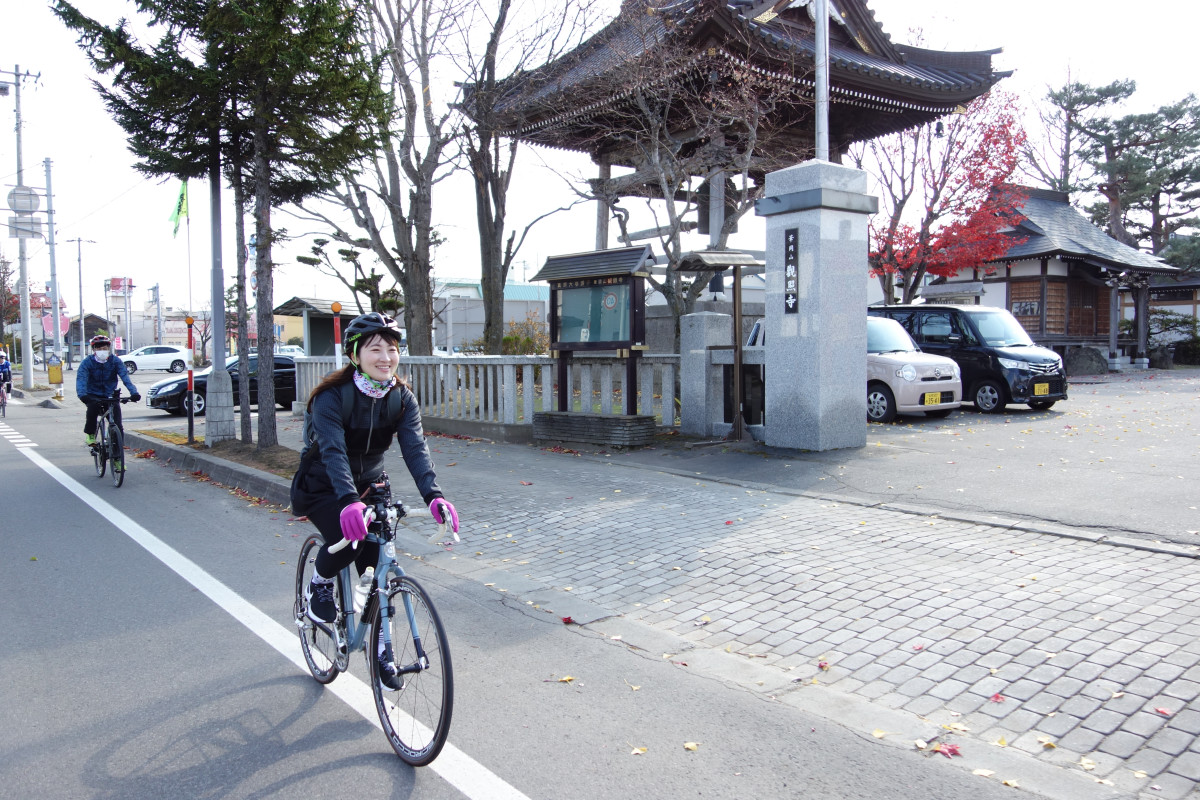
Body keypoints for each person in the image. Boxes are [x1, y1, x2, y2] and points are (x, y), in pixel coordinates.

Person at [290, 311, 458, 690]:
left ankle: (382, 650)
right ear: (355, 354)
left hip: (369, 485)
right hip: (324, 485)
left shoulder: (401, 398)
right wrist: (348, 501)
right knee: (348, 542)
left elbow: (415, 449)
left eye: (392, 349)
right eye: (375, 349)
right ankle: (319, 582)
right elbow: (332, 451)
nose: (386, 357)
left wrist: (434, 496)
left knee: (377, 564)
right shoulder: (331, 398)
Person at [77, 335, 140, 446]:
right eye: (99, 349)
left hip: (110, 395)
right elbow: (81, 379)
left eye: (105, 348)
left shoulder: (115, 361)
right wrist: (83, 395)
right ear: (94, 350)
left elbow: (125, 377)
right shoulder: (87, 363)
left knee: (118, 426)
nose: (102, 351)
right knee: (92, 409)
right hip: (93, 394)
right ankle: (90, 434)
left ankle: (117, 459)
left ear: (109, 349)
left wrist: (133, 392)